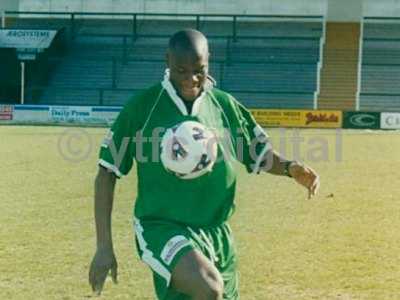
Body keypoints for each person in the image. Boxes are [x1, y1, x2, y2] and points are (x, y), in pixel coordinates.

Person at [89, 29, 320, 300]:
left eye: (199, 69)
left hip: (217, 232)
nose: (191, 79)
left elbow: (258, 154)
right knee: (208, 287)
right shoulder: (143, 108)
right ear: (167, 61)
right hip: (161, 226)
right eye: (181, 70)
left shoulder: (224, 106)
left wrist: (290, 168)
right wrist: (104, 246)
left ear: (209, 60)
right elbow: (107, 172)